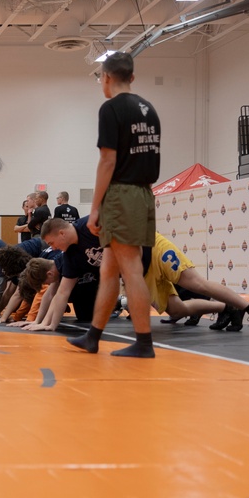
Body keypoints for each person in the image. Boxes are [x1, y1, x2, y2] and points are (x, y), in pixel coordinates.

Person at [67, 52, 161, 358]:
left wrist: (94, 208)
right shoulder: (150, 110)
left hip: (122, 194)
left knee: (131, 269)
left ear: (105, 78)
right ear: (131, 77)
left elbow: (108, 160)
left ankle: (144, 342)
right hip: (144, 193)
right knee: (109, 270)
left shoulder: (111, 108)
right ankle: (93, 336)